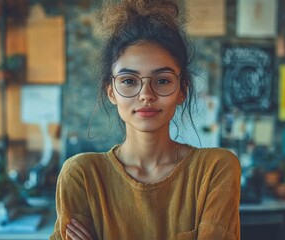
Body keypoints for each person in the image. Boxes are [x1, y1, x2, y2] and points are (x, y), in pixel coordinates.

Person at [50, 0, 241, 239]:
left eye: (162, 80)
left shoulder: (215, 169)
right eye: (129, 81)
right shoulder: (82, 175)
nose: (146, 95)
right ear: (111, 92)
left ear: (182, 90)